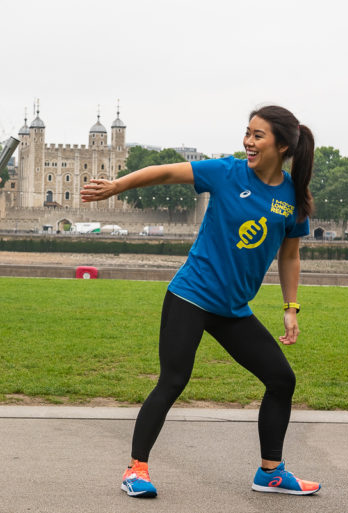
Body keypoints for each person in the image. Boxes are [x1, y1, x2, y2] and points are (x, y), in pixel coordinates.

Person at [81, 105, 321, 498]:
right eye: (247, 133)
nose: (248, 141)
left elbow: (290, 255)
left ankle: (271, 472)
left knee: (282, 380)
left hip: (233, 310)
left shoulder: (292, 197)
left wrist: (291, 308)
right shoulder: (227, 172)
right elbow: (165, 172)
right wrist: (117, 186)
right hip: (191, 296)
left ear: (282, 145)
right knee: (173, 380)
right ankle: (136, 470)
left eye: (258, 136)